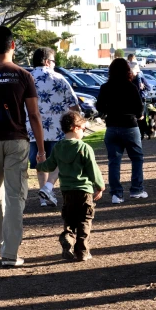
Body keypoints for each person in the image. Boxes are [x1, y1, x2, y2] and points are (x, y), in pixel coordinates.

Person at [0, 25, 45, 267]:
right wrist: (42, 149)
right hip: (17, 140)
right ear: (13, 45)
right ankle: (10, 253)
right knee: (15, 195)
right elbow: (34, 115)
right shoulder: (23, 76)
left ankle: (1, 244)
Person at [36, 111, 104, 262]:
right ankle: (82, 252)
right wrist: (100, 186)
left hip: (66, 191)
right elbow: (93, 169)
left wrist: (39, 164)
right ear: (75, 128)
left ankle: (67, 237)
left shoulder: (59, 147)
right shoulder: (84, 148)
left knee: (70, 218)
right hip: (84, 191)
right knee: (84, 220)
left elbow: (49, 165)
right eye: (83, 128)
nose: (84, 131)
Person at [28, 47, 80, 207]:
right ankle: (49, 188)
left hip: (33, 129)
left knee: (40, 163)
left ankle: (44, 196)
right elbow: (74, 104)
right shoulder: (58, 78)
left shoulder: (27, 78)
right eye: (53, 62)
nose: (53, 64)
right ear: (46, 61)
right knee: (59, 162)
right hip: (57, 129)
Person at [95, 57, 147, 204]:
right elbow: (139, 109)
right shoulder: (131, 87)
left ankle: (116, 194)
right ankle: (137, 189)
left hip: (112, 127)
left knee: (114, 161)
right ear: (127, 71)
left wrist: (108, 111)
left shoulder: (105, 87)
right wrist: (139, 116)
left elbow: (99, 107)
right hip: (130, 126)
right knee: (136, 158)